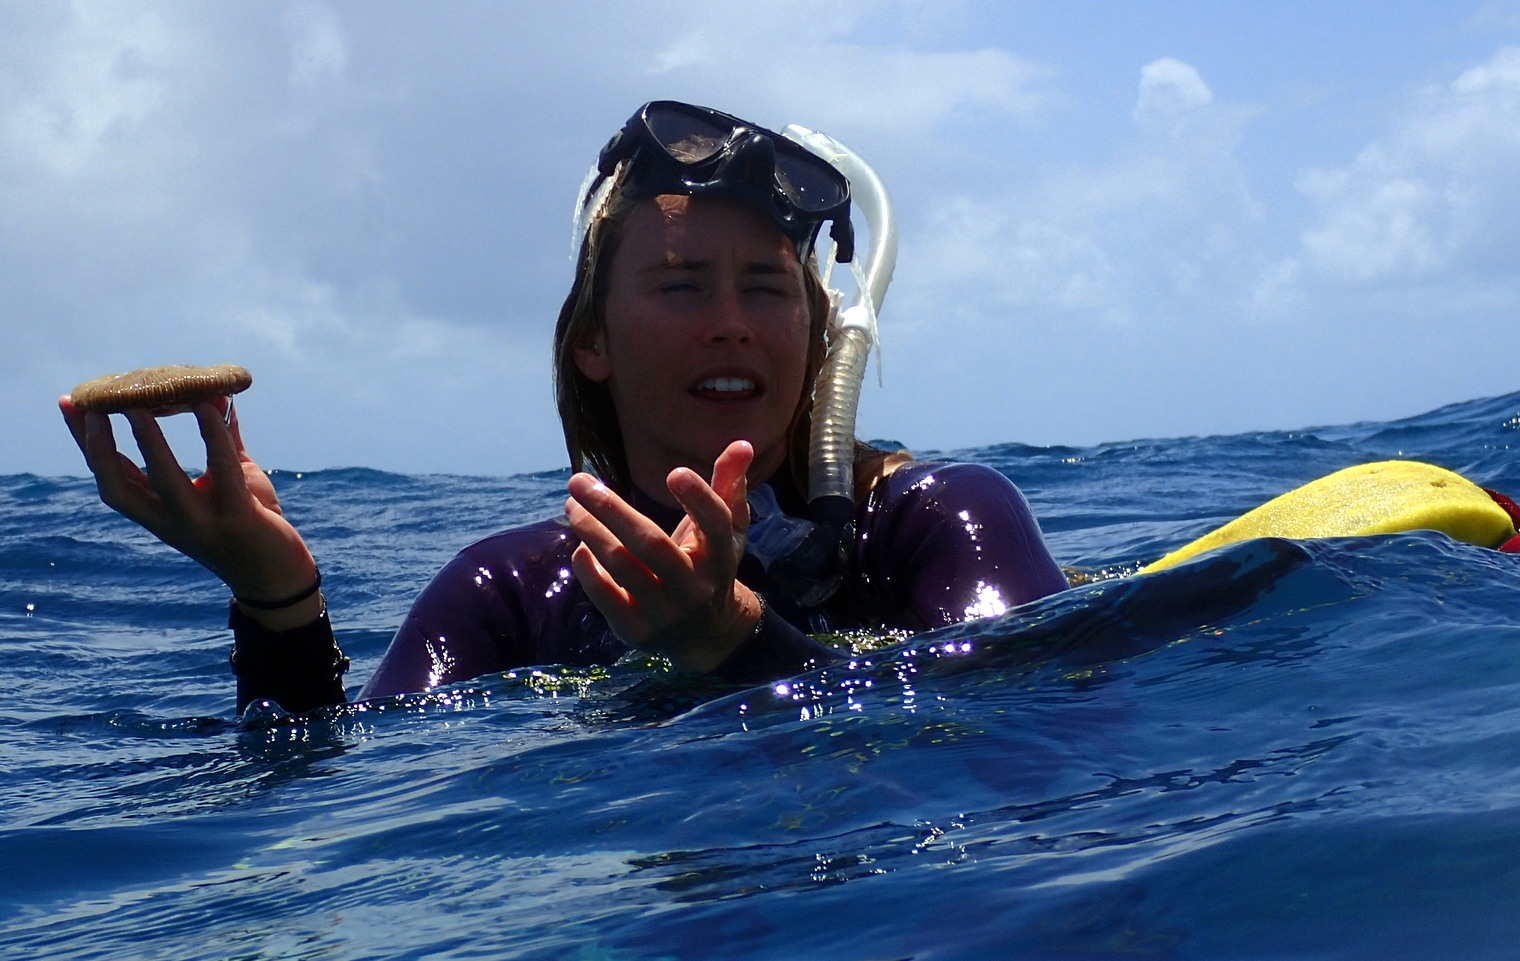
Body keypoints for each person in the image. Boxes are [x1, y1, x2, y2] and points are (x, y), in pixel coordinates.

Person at [59, 101, 1071, 715]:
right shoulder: (509, 590)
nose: (732, 324)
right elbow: (343, 803)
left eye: (767, 287)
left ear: (816, 331)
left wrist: (732, 638)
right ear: (590, 340)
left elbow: (1033, 729)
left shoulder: (937, 521)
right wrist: (275, 599)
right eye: (680, 286)